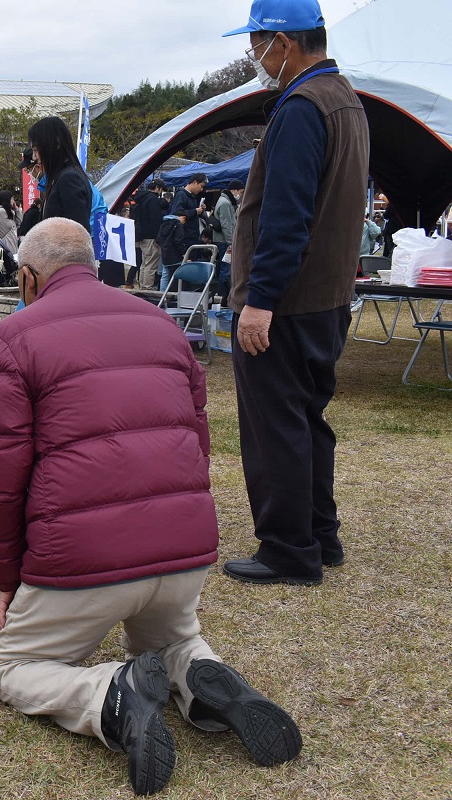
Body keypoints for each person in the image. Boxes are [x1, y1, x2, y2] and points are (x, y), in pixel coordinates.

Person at [0, 217, 302, 796]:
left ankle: (109, 694)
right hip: (183, 552)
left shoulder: (14, 338)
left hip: (83, 560)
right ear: (93, 267)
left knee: (12, 667)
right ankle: (198, 674)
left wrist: (8, 578)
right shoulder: (164, 326)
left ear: (27, 276)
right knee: (171, 639)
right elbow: (197, 443)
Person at [220, 0, 370, 586]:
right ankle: (319, 533)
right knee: (308, 418)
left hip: (287, 300)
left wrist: (260, 300)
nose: (254, 56)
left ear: (283, 42)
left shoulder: (302, 107)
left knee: (276, 423)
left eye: (257, 42)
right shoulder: (347, 101)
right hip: (327, 295)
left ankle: (287, 548)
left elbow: (285, 216)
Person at [28, 117, 93, 231]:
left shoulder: (69, 179)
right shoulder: (60, 177)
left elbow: (79, 235)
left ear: (57, 143)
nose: (34, 157)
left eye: (36, 150)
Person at [132, 179, 170, 290]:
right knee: (151, 264)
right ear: (157, 188)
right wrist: (159, 237)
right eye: (161, 189)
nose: (161, 192)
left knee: (145, 263)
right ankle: (147, 286)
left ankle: (143, 285)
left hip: (141, 235)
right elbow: (155, 220)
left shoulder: (141, 198)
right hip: (151, 236)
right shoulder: (153, 200)